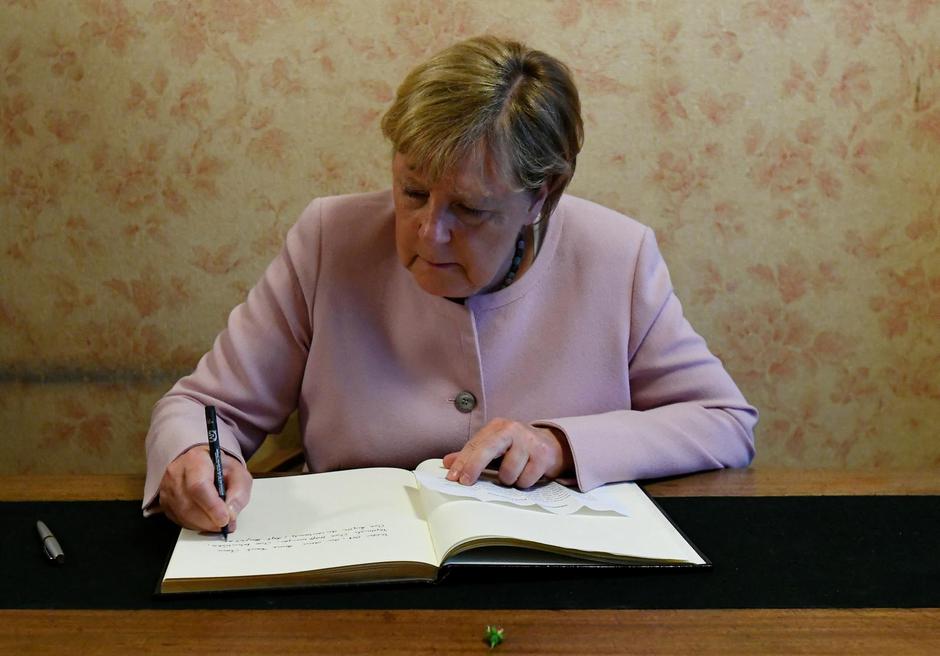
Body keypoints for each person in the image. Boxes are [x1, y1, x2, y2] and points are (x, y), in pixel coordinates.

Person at [144, 35, 757, 533]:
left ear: (540, 196)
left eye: (469, 209)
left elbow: (722, 420)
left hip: (559, 596)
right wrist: (193, 457)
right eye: (412, 191)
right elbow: (204, 407)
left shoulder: (616, 256)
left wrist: (559, 445)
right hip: (356, 570)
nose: (427, 233)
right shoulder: (329, 238)